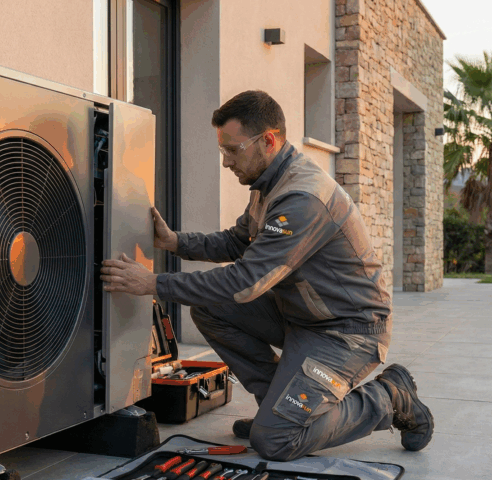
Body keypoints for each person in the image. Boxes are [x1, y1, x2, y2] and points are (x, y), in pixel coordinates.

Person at [100, 90, 432, 462]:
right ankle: (278, 406)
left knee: (276, 441)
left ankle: (389, 395)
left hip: (348, 331)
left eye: (232, 150)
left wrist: (153, 284)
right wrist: (175, 242)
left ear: (268, 140)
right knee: (210, 309)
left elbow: (245, 282)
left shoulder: (301, 198)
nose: (226, 162)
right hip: (302, 317)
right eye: (222, 151)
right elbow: (237, 241)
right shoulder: (269, 183)